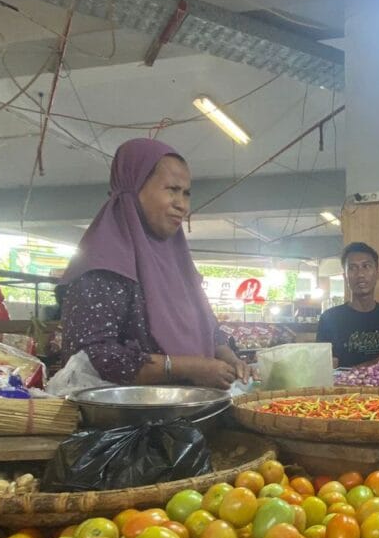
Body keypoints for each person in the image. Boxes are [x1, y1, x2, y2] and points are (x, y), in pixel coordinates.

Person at [58, 137, 247, 389]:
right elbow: (94, 358)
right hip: (131, 421)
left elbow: (208, 327)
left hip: (193, 411)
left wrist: (229, 357)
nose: (182, 205)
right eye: (172, 190)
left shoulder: (180, 267)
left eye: (186, 193)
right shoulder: (102, 266)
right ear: (135, 189)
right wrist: (190, 367)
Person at [317, 242, 379, 368]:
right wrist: (376, 363)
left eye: (366, 266)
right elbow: (328, 373)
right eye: (352, 268)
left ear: (378, 273)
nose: (360, 275)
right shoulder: (329, 319)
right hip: (345, 388)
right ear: (345, 277)